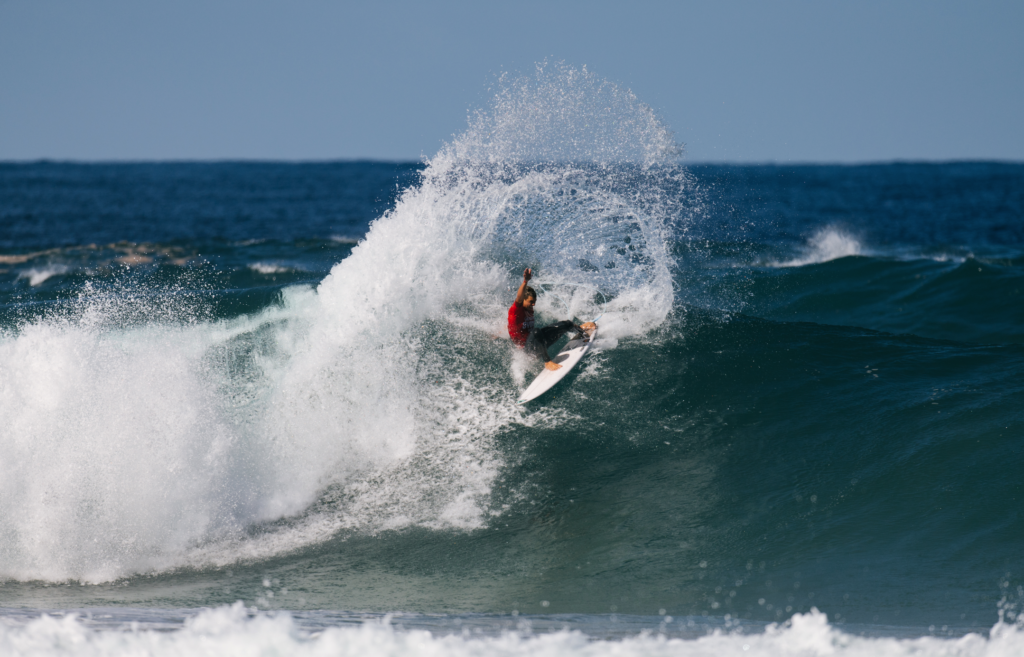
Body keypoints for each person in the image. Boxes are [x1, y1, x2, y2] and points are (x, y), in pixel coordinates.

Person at [508, 268, 596, 371]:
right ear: (523, 300)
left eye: (534, 301)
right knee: (536, 331)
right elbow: (519, 297)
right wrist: (525, 281)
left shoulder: (529, 309)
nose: (533, 304)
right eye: (531, 302)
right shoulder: (515, 310)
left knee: (566, 324)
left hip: (538, 344)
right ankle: (547, 362)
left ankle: (581, 331)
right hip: (528, 351)